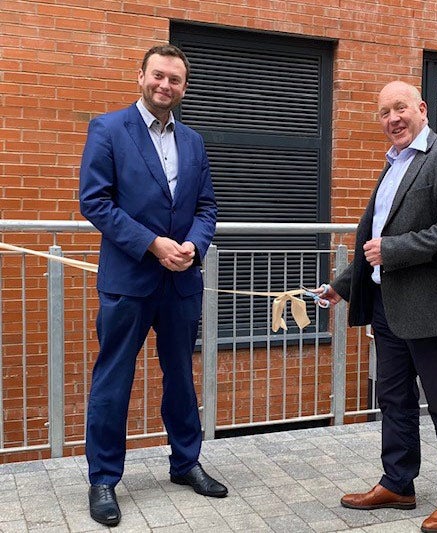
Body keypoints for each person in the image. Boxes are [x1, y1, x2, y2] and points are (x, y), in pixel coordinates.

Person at [316, 81, 437, 533]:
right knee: (394, 400)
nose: (393, 118)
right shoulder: (392, 166)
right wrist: (343, 286)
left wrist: (395, 250)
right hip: (388, 308)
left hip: (433, 308)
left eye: (400, 108)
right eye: (384, 112)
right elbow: (375, 240)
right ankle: (398, 483)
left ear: (422, 109)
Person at [79, 44, 227, 528]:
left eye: (176, 80)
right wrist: (153, 244)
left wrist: (193, 246)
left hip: (181, 282)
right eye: (159, 76)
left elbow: (206, 207)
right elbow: (95, 202)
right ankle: (103, 479)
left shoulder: (194, 141)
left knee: (181, 377)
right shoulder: (108, 129)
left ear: (184, 87)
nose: (166, 85)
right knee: (113, 379)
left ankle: (185, 463)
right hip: (129, 281)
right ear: (140, 75)